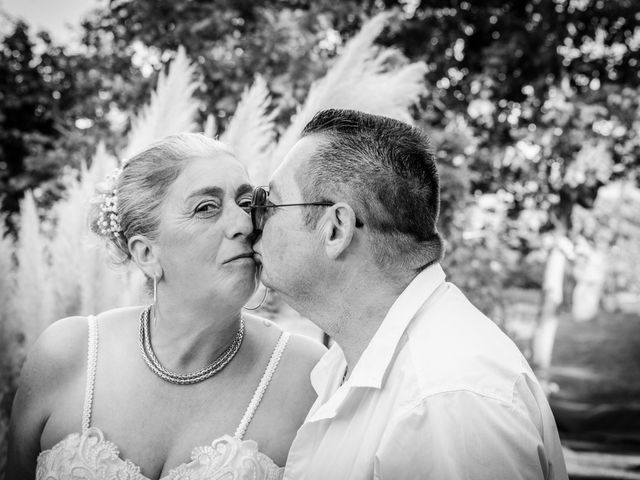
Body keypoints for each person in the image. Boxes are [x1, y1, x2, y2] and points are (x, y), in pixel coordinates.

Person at [251, 109, 569, 479]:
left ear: (335, 228)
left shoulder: (445, 401)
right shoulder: (356, 356)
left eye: (270, 204)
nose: (253, 221)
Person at [7, 133, 325, 480]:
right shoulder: (66, 353)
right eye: (206, 208)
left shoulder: (309, 376)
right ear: (147, 253)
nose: (244, 225)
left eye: (247, 203)